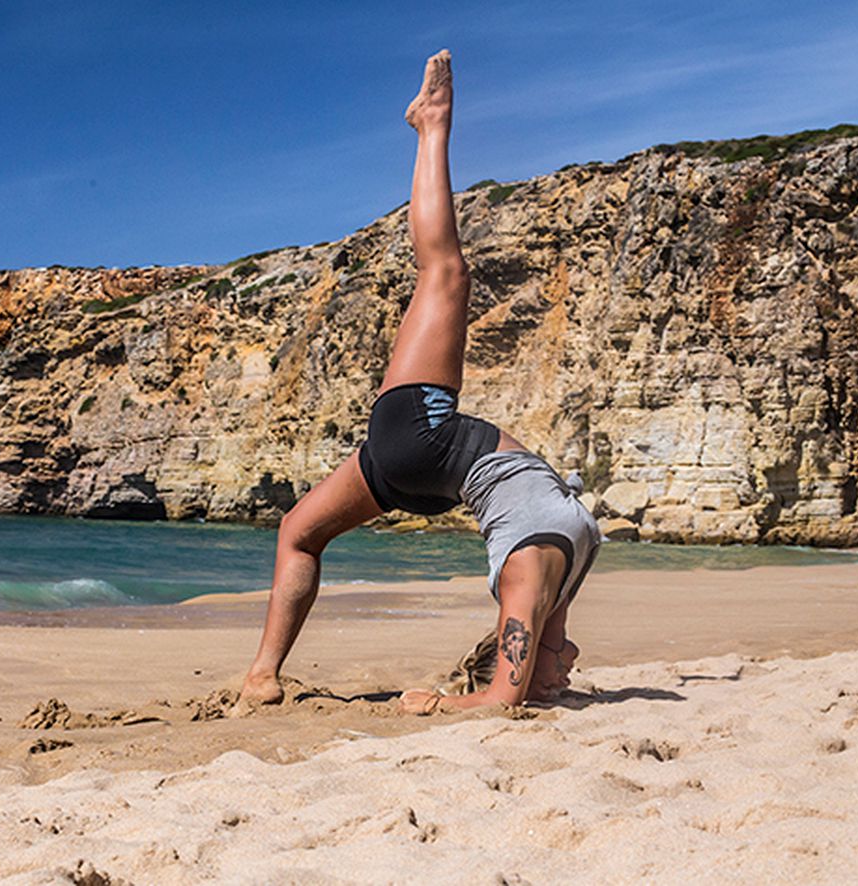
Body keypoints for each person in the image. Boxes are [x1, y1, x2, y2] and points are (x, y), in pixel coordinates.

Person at [237, 50, 601, 715]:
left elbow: (500, 699)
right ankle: (260, 676)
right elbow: (534, 667)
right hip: (428, 475)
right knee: (297, 532)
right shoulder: (558, 585)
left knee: (445, 275)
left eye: (557, 669)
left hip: (423, 442)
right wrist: (541, 674)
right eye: (563, 667)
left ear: (511, 644)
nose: (571, 666)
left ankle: (432, 125)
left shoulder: (528, 581)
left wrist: (440, 701)